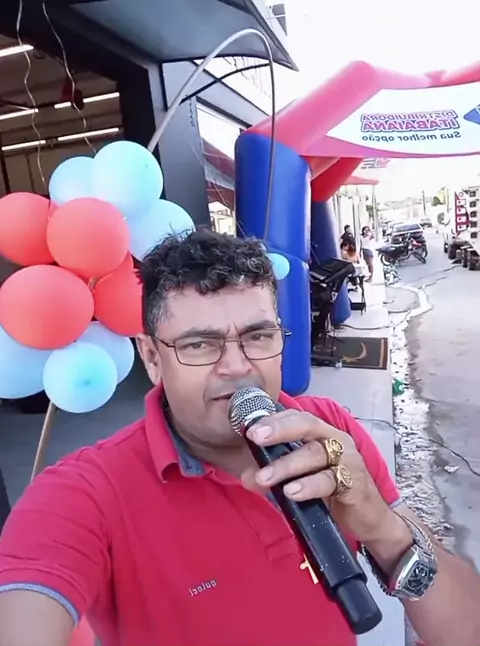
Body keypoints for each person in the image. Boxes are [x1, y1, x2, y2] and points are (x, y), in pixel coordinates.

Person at [0, 231, 479, 646]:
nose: (237, 366)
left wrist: (383, 529)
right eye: (199, 345)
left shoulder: (330, 430)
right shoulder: (85, 491)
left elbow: (465, 631)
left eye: (258, 336)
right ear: (151, 358)